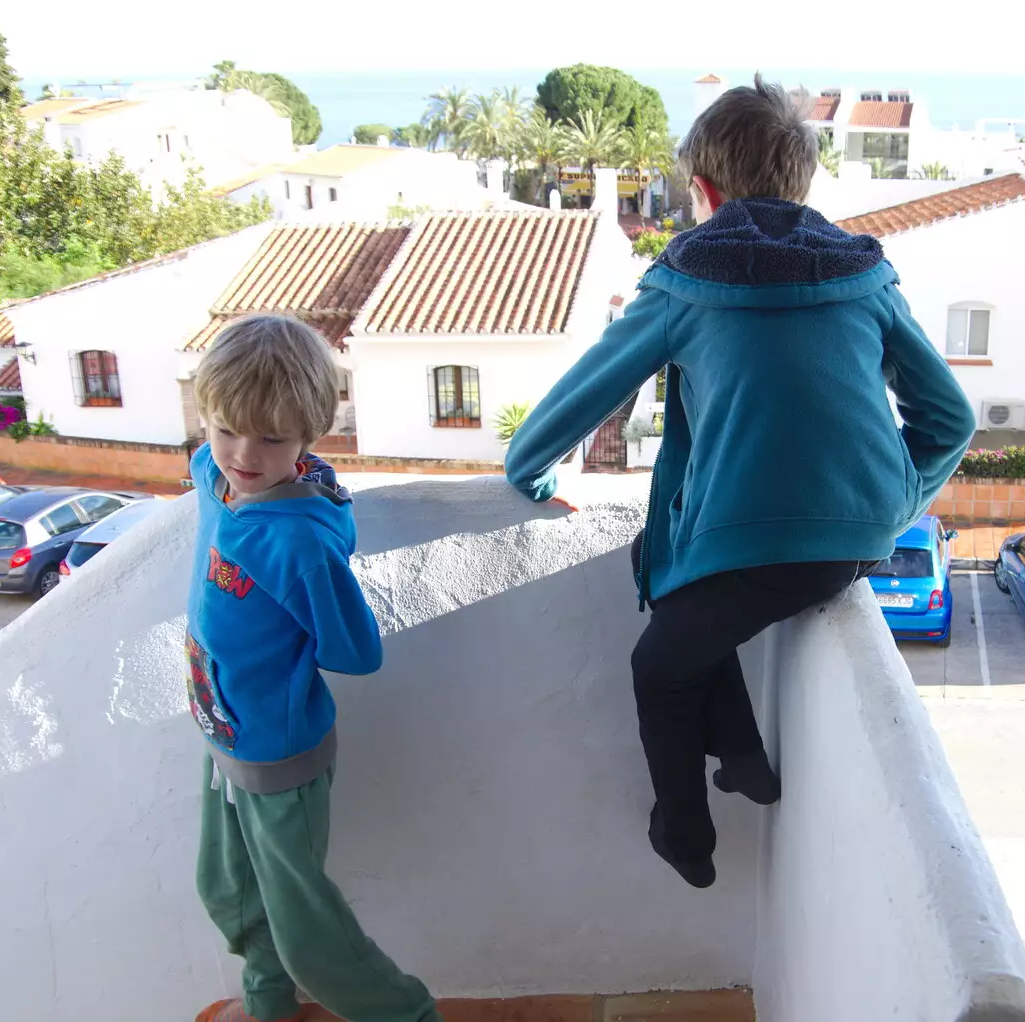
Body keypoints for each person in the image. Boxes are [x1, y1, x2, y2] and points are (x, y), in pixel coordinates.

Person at [504, 75, 975, 889]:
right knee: (662, 567)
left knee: (658, 667)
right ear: (802, 181)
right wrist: (892, 504)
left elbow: (583, 398)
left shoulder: (687, 280)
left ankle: (683, 832)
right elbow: (951, 419)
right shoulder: (865, 274)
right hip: (854, 539)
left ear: (704, 191)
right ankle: (744, 757)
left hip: (764, 545)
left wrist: (531, 471)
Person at [185, 314, 439, 1022]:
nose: (241, 454)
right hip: (220, 728)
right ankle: (268, 1005)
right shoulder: (212, 472)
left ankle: (410, 1016)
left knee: (308, 934)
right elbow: (215, 464)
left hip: (280, 752)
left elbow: (356, 651)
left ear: (307, 437)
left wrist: (300, 600)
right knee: (229, 889)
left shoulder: (296, 542)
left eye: (271, 438)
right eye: (226, 426)